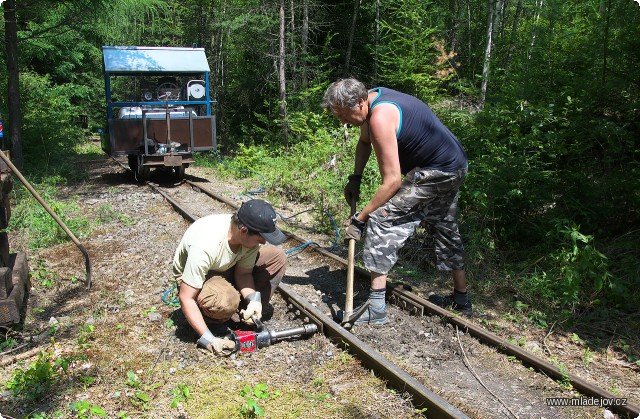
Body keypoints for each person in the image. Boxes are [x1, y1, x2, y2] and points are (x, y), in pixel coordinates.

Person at [322, 78, 471, 325]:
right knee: (445, 226)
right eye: (339, 117)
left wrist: (360, 219)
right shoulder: (371, 99)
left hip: (438, 171)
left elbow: (391, 182)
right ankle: (462, 300)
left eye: (345, 115)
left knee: (382, 220)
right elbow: (364, 141)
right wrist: (355, 178)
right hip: (454, 165)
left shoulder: (380, 117)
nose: (343, 122)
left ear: (360, 102)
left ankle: (376, 309)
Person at [173, 199, 287, 355]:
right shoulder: (206, 245)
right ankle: (213, 318)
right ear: (243, 230)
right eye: (260, 237)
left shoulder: (246, 239)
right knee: (226, 300)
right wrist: (209, 340)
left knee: (276, 257)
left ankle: (243, 314)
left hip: (227, 267)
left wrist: (254, 301)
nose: (264, 241)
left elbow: (243, 273)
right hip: (202, 276)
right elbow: (186, 297)